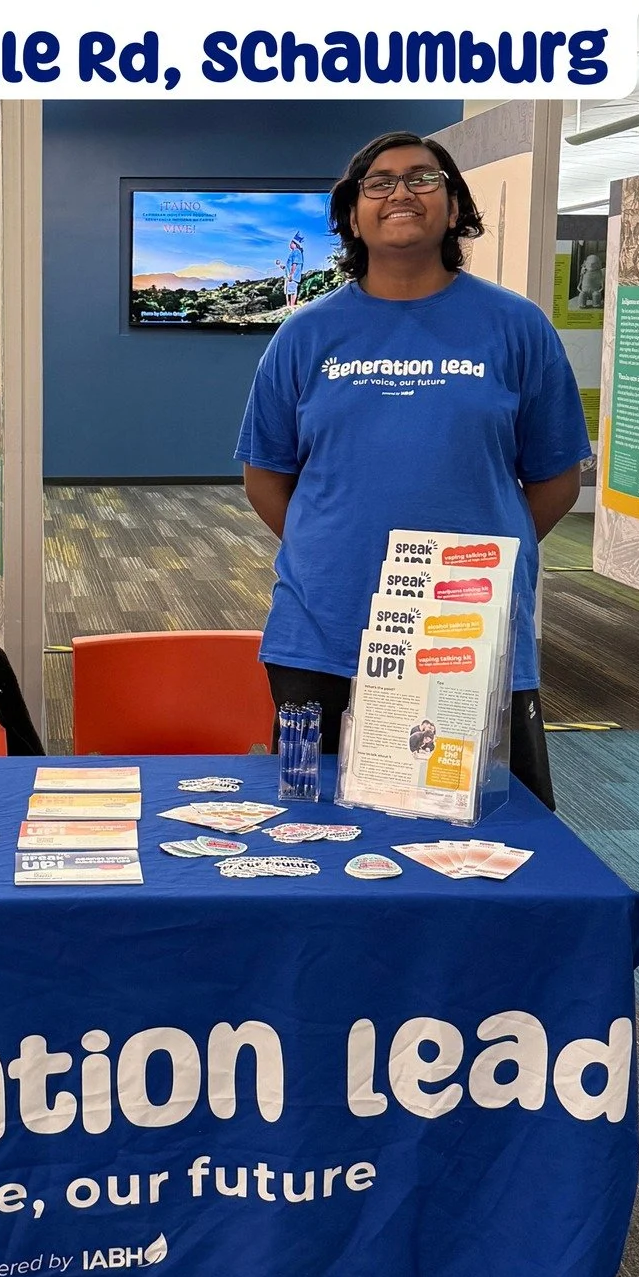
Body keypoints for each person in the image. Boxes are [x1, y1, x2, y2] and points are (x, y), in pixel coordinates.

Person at [235, 130, 591, 809]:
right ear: (353, 214)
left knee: (484, 824)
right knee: (315, 829)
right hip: (323, 628)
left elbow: (553, 479)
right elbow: (266, 476)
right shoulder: (305, 335)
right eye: (379, 182)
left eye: (423, 179)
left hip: (466, 628)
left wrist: (480, 560)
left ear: (454, 207)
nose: (401, 192)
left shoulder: (517, 327)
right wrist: (332, 548)